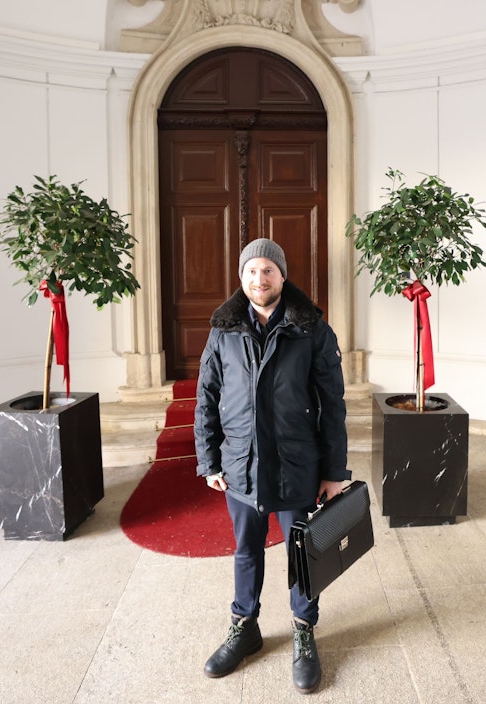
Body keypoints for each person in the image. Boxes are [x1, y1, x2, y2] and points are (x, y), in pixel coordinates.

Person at [194, 237, 350, 695]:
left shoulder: (312, 329)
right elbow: (205, 399)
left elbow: (333, 405)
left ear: (282, 275)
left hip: (297, 466)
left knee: (303, 554)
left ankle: (304, 629)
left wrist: (334, 471)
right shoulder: (223, 330)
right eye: (250, 272)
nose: (258, 280)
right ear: (241, 279)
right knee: (246, 551)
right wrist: (210, 460)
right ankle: (245, 627)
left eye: (267, 270)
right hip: (240, 467)